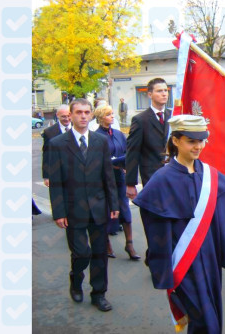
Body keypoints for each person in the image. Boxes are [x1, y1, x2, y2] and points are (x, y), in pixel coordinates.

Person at [133, 114, 225, 333]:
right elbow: (155, 230)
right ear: (175, 141)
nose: (198, 146)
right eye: (191, 141)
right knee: (207, 323)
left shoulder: (212, 177)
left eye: (201, 140)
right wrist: (162, 267)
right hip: (184, 263)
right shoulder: (162, 179)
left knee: (211, 316)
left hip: (211, 257)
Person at [47, 98, 119, 312]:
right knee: (81, 253)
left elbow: (108, 175)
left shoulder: (100, 141)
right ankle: (75, 279)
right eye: (78, 112)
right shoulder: (58, 144)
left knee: (99, 254)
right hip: (72, 209)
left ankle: (99, 293)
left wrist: (114, 203)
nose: (83, 116)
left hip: (98, 207)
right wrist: (58, 212)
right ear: (71, 114)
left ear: (91, 114)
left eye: (87, 112)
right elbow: (56, 181)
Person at [94, 104, 141, 261]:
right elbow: (95, 159)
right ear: (100, 118)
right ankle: (106, 244)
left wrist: (126, 165)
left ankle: (129, 244)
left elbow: (128, 151)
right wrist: (111, 163)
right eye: (108, 115)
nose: (112, 117)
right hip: (103, 179)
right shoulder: (95, 136)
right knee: (106, 211)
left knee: (124, 209)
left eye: (112, 114)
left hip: (120, 177)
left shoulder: (119, 134)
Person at [125, 77, 171, 198]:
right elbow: (132, 152)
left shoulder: (173, 116)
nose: (164, 94)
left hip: (173, 174)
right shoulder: (140, 120)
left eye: (166, 90)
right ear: (150, 94)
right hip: (151, 176)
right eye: (159, 91)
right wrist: (130, 183)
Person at [41, 104, 71, 187]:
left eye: (68, 116)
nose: (67, 119)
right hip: (58, 172)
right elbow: (47, 154)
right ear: (57, 116)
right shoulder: (49, 132)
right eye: (63, 116)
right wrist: (46, 176)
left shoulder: (77, 129)